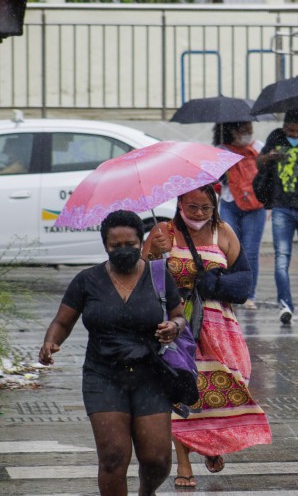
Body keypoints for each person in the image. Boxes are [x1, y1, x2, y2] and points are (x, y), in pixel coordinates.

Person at [38, 210, 186, 496]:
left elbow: (179, 315)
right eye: (115, 246)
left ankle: (147, 491)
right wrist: (50, 342)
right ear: (105, 245)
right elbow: (62, 321)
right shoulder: (87, 280)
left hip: (150, 376)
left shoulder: (158, 275)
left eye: (130, 244)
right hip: (103, 376)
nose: (123, 250)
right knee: (113, 457)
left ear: (140, 240)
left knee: (157, 459)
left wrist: (174, 327)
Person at [144, 185, 272, 488]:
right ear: (179, 205)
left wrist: (213, 282)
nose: (199, 214)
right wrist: (153, 255)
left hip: (220, 327)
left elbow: (244, 278)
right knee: (182, 394)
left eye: (206, 208)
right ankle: (184, 464)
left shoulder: (224, 232)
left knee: (228, 386)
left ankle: (211, 444)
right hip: (177, 328)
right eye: (192, 208)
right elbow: (141, 276)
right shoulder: (163, 231)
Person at [258, 108, 298, 324]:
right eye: (291, 131)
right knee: (281, 257)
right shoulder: (275, 136)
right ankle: (285, 304)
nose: (295, 135)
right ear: (284, 127)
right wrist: (270, 157)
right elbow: (259, 163)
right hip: (281, 207)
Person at [214, 121, 266, 310]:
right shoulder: (221, 150)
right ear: (233, 131)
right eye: (244, 131)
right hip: (229, 203)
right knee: (228, 251)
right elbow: (213, 178)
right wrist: (222, 175)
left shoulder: (259, 148)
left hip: (256, 206)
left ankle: (249, 294)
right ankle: (229, 292)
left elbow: (267, 174)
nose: (248, 135)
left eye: (250, 131)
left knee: (251, 252)